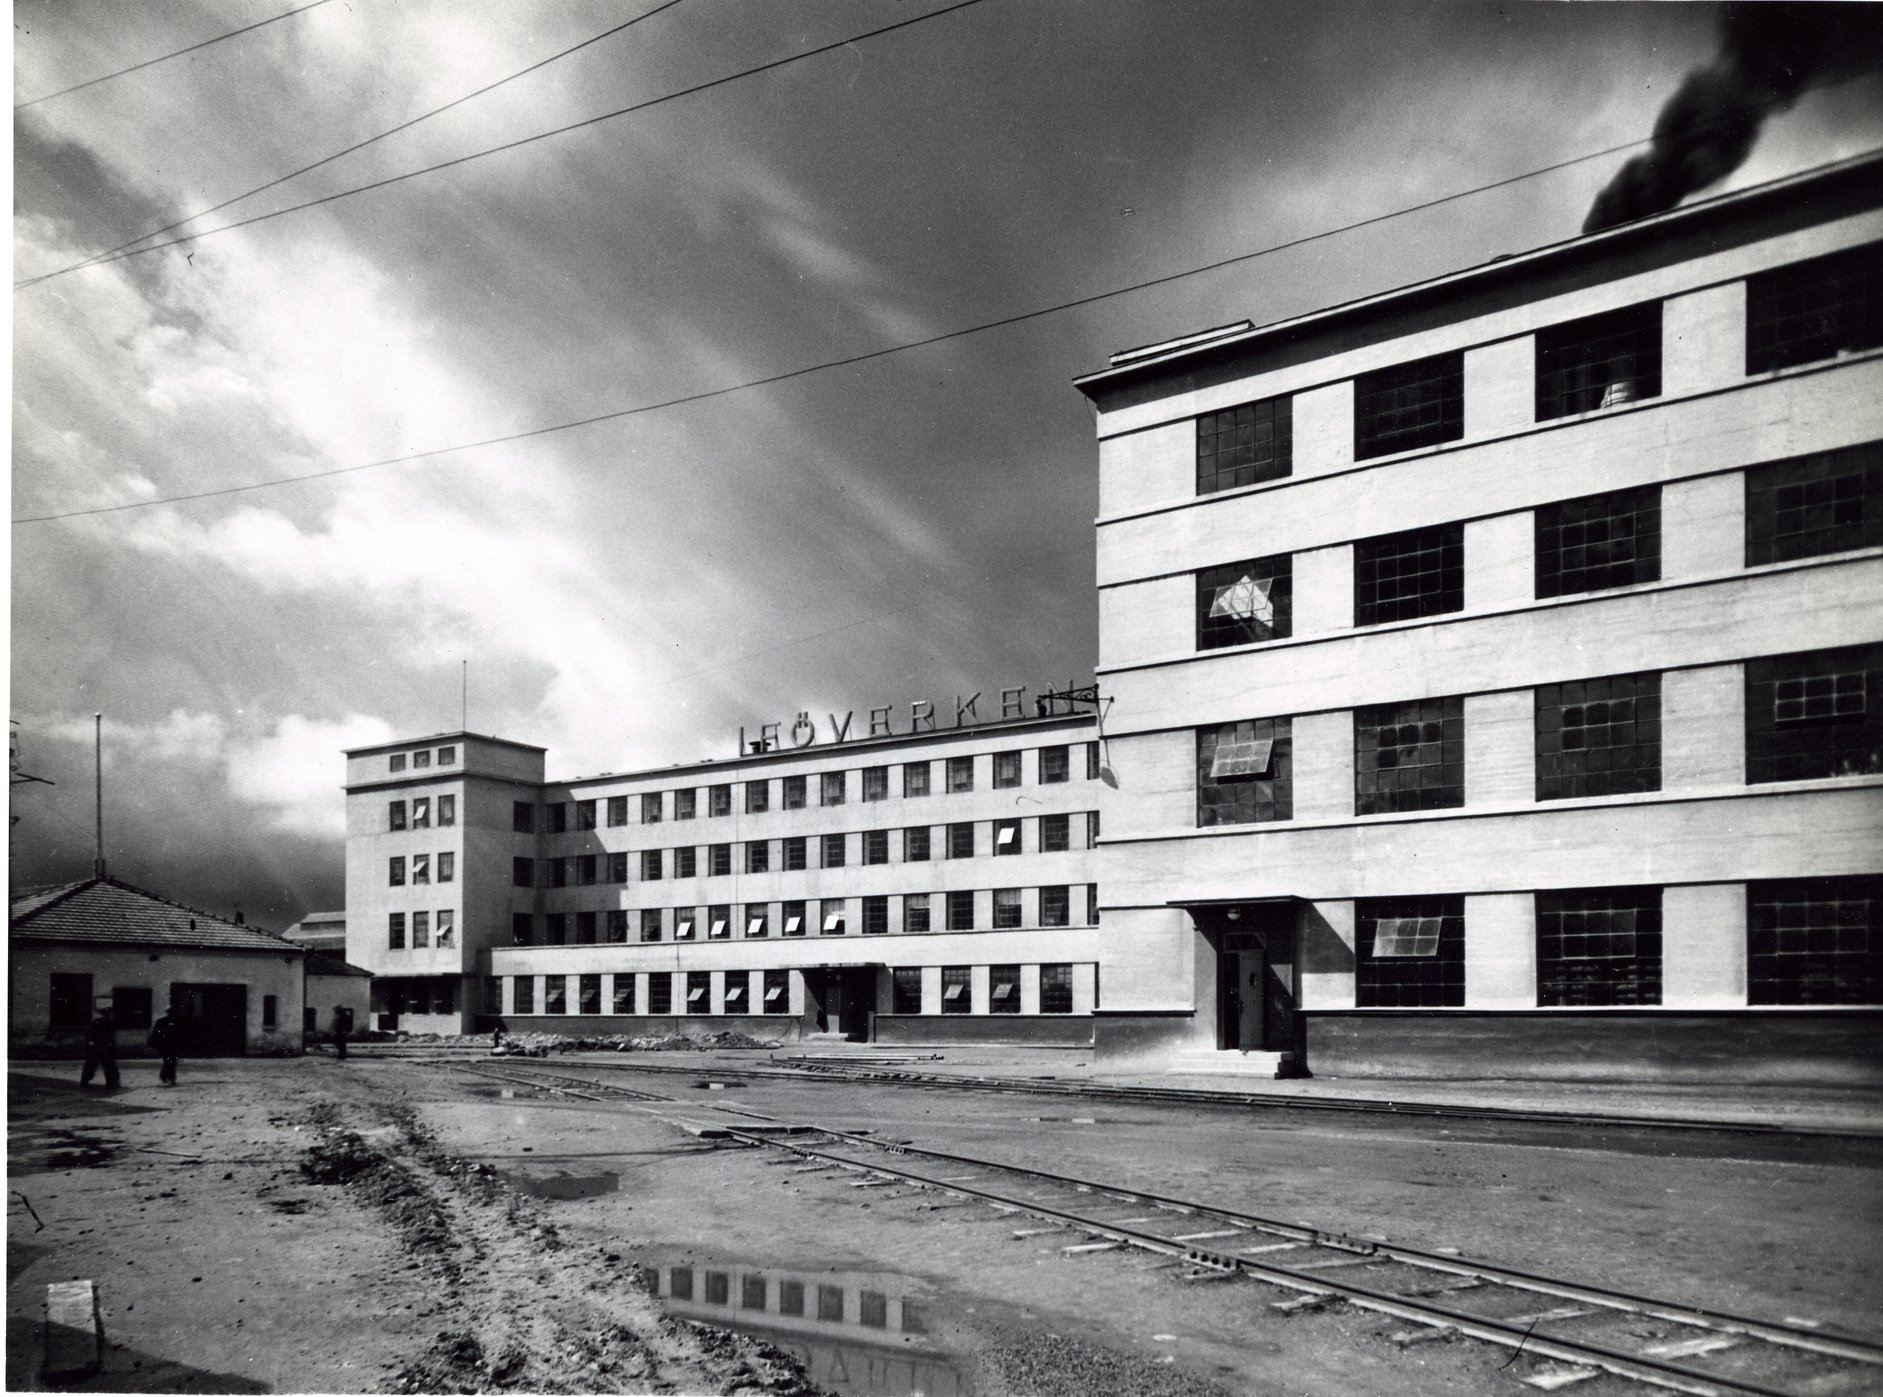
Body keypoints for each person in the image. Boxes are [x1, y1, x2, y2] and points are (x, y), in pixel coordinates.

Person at [80, 1006, 120, 1089]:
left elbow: (89, 1034)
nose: (111, 1015)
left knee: (92, 1065)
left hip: (97, 1047)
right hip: (102, 1047)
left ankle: (85, 1081)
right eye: (110, 1014)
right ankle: (111, 1083)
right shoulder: (107, 1022)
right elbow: (110, 1037)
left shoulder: (98, 1022)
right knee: (108, 1065)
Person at [148, 1007, 182, 1087]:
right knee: (168, 1061)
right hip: (165, 1045)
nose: (172, 1014)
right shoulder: (162, 1021)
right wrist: (154, 1045)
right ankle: (166, 1076)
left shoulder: (176, 1022)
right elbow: (155, 1034)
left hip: (173, 1045)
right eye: (171, 1012)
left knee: (172, 1061)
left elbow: (181, 1034)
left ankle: (169, 1077)